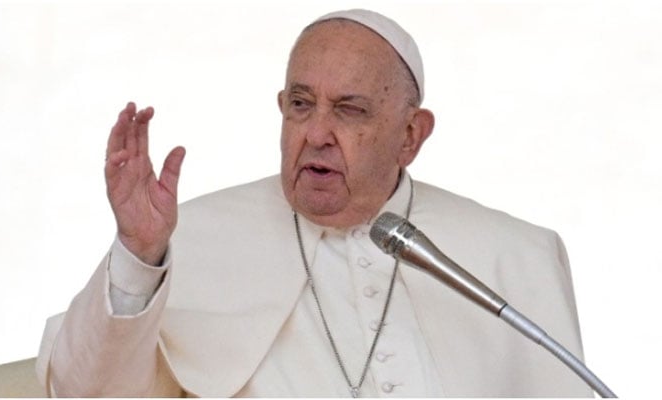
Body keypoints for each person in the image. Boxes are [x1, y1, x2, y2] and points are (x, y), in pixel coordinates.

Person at [36, 9, 593, 397]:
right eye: (301, 105)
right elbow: (83, 394)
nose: (317, 132)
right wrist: (137, 255)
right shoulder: (192, 239)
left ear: (410, 136)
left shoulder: (512, 254)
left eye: (349, 110)